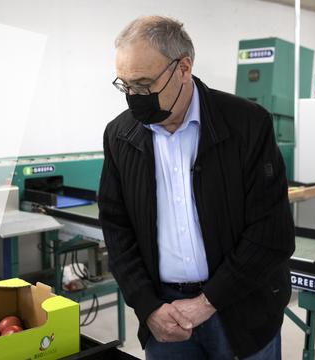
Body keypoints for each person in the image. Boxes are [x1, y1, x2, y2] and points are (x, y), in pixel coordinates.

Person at [98, 16, 295, 359]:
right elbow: (117, 230)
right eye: (126, 86)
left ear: (184, 68)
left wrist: (208, 303)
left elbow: (270, 234)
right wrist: (148, 306)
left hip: (241, 311)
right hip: (164, 316)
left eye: (144, 84)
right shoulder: (120, 136)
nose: (134, 97)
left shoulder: (247, 125)